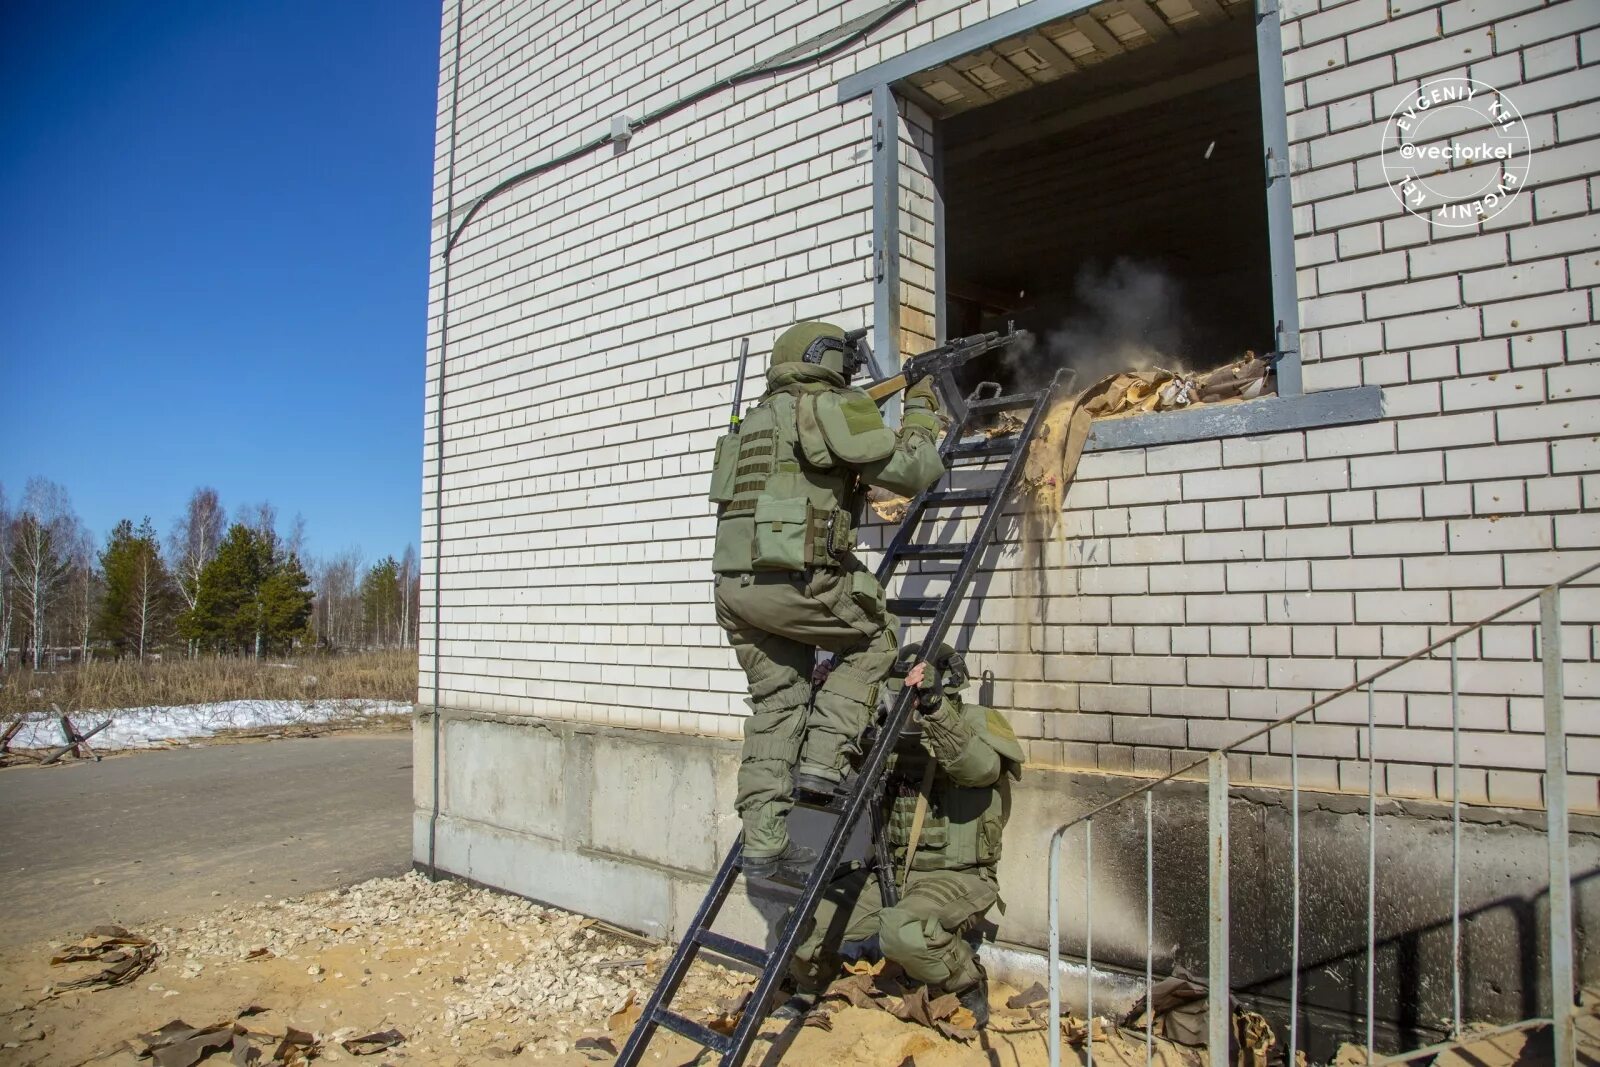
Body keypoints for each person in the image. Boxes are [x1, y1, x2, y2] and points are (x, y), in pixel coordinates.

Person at [709, 320, 945, 883]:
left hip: (736, 593)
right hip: (798, 583)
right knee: (876, 637)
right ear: (826, 359)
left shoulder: (755, 420)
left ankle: (765, 841)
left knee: (777, 702)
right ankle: (821, 764)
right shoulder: (825, 405)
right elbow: (915, 471)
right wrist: (920, 402)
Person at [782, 644, 1024, 1028]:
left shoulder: (976, 721)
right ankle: (812, 987)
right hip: (889, 875)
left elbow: (978, 769)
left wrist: (934, 708)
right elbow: (838, 765)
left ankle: (967, 983)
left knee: (902, 932)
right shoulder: (890, 731)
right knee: (801, 924)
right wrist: (825, 703)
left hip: (957, 876)